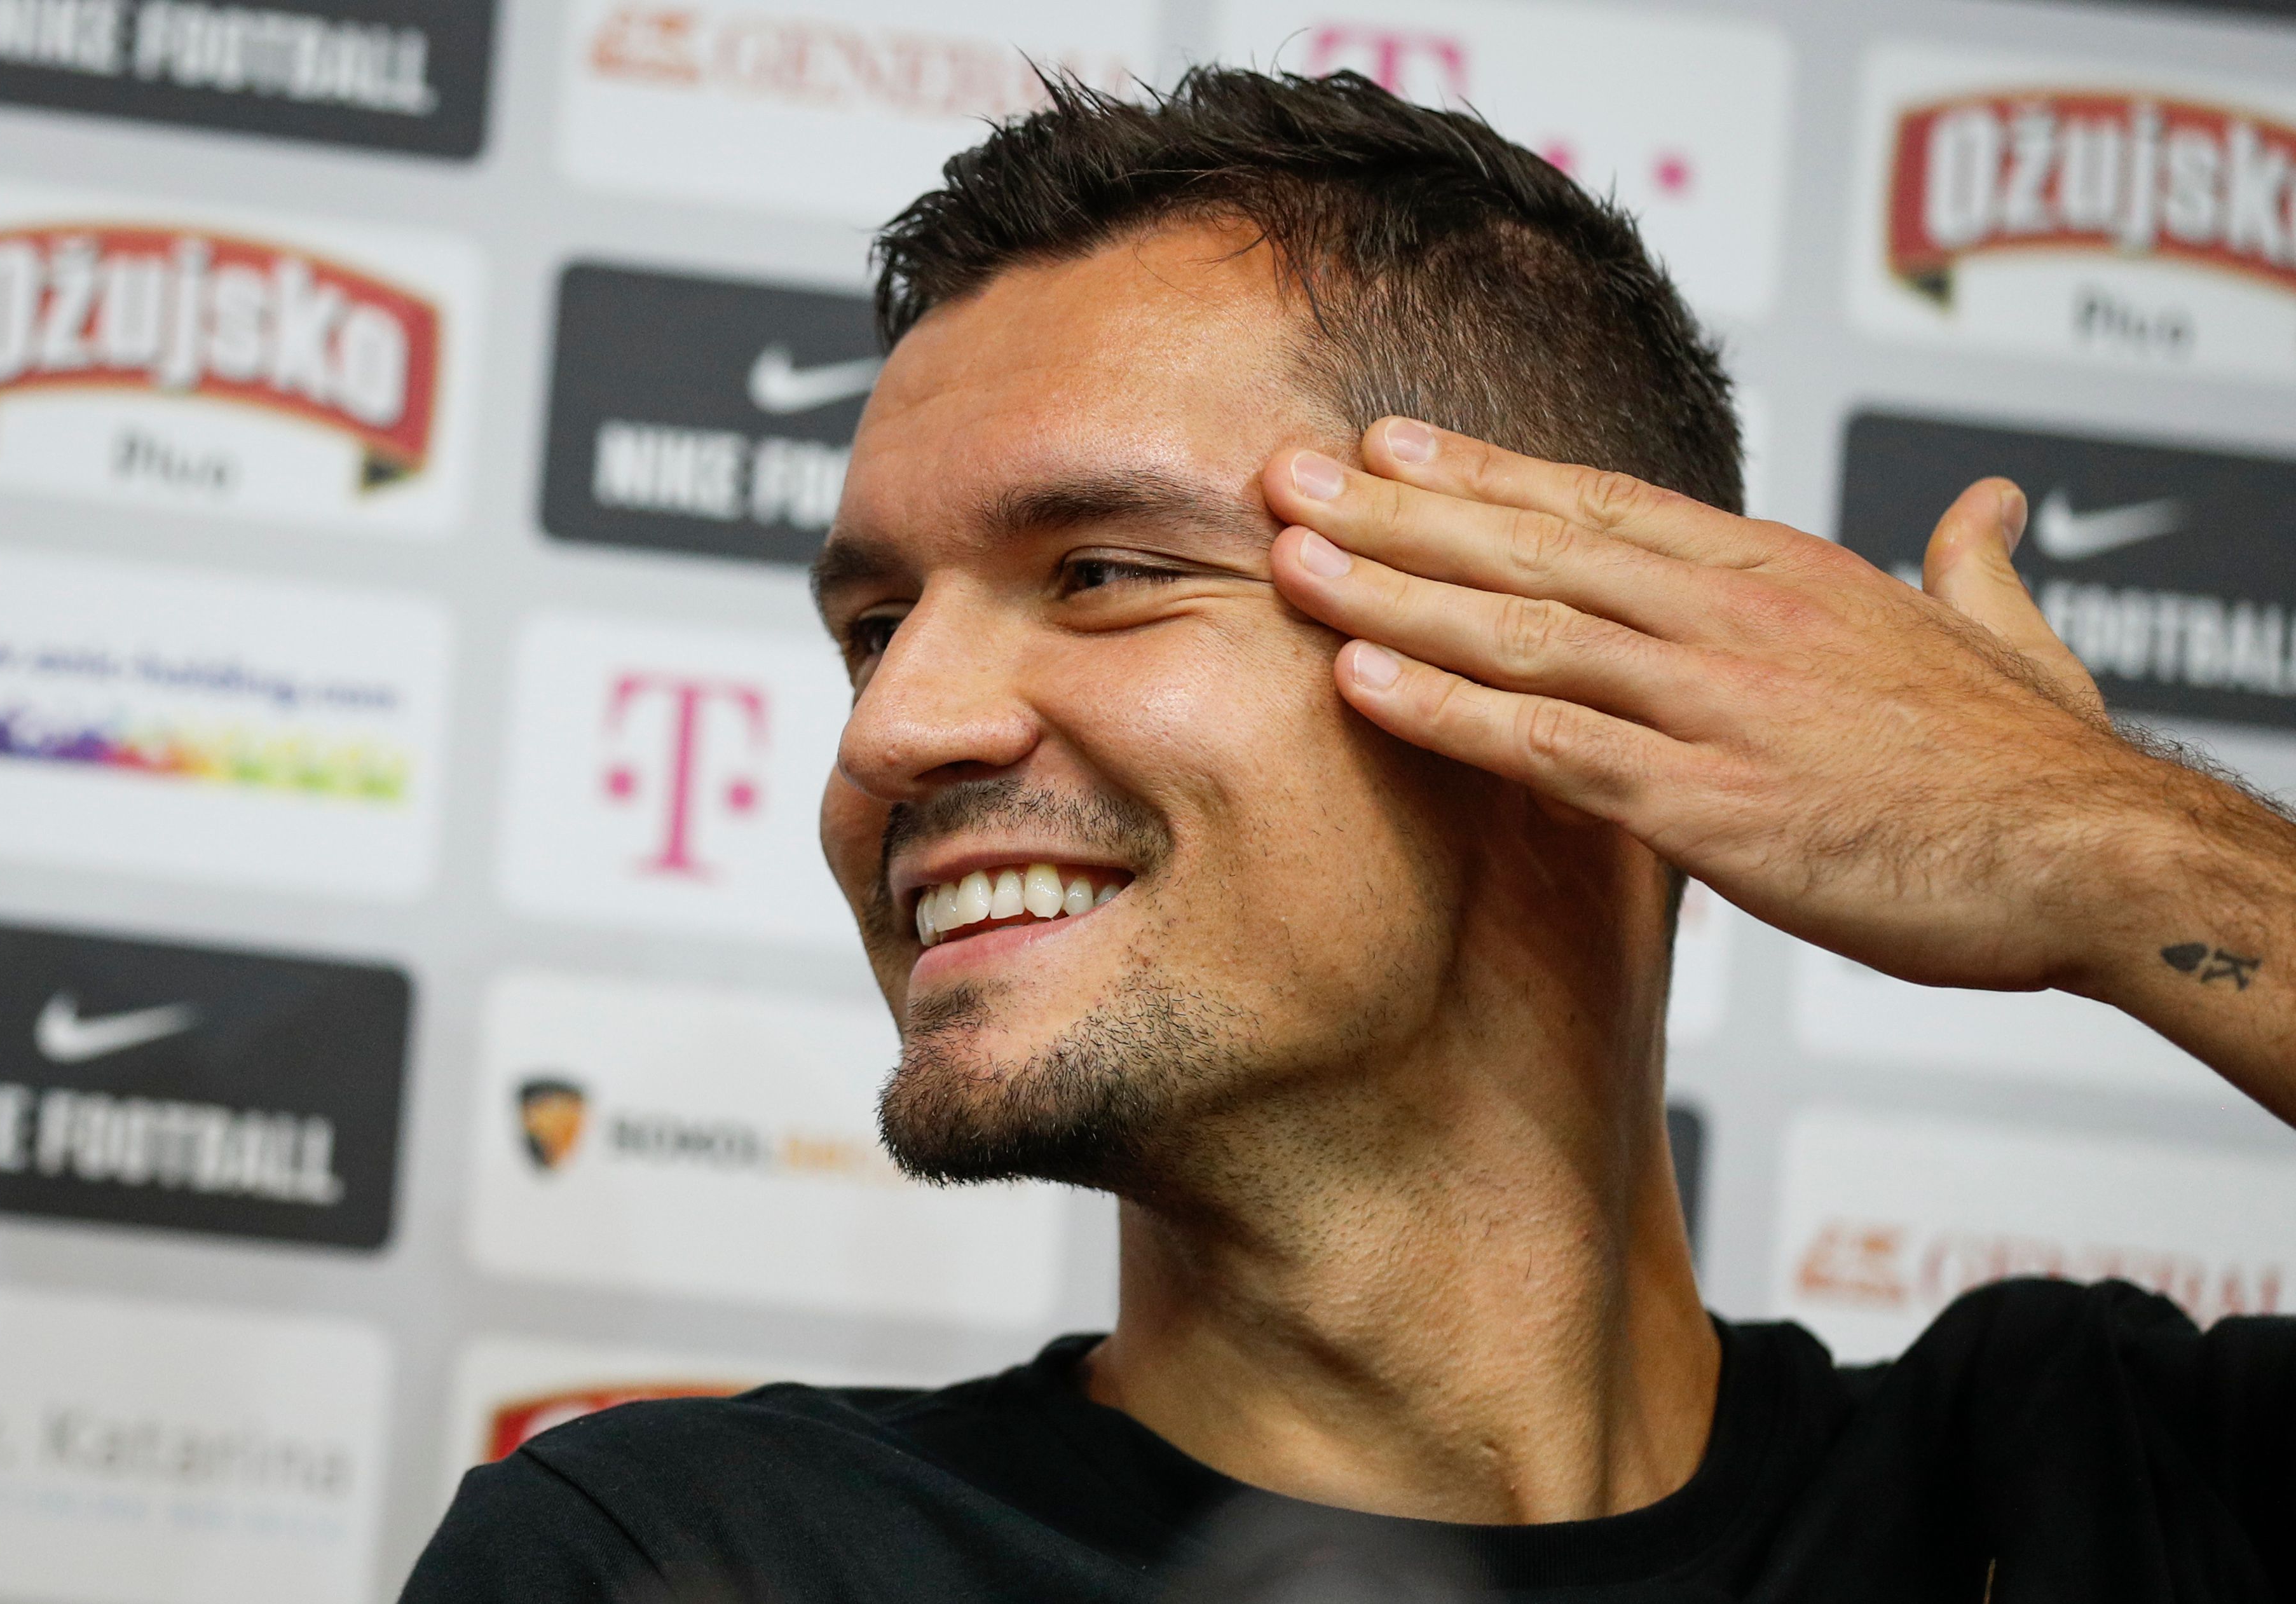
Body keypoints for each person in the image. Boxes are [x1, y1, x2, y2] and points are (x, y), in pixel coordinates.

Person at [406, 69, 2296, 1602]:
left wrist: (2121, 847)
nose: (889, 729)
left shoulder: (2112, 1483)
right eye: (875, 625)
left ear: (1568, 656)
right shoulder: (695, 1560)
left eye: (1101, 570)